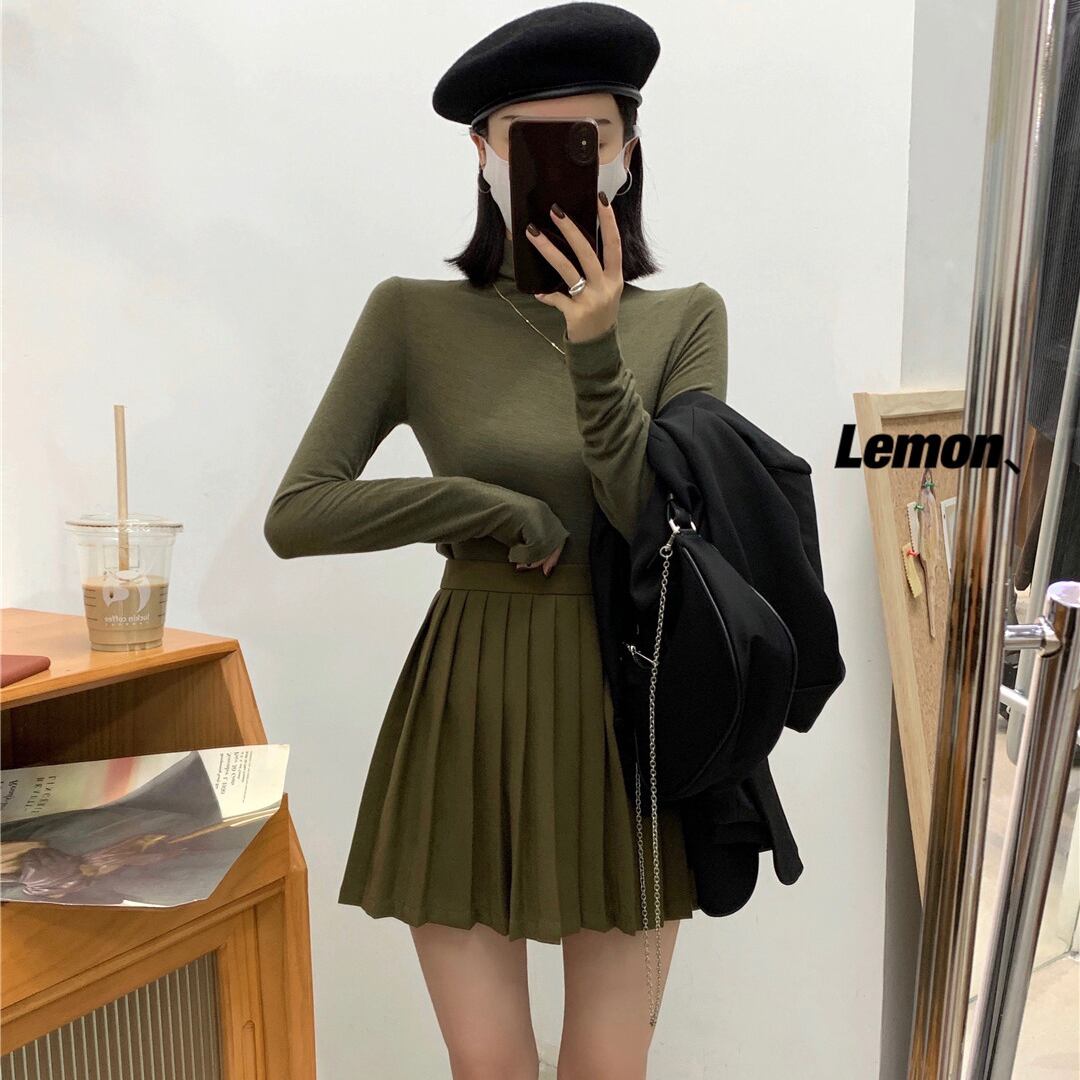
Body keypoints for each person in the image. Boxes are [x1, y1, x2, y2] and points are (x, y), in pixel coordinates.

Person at [263, 3, 728, 1076]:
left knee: (607, 1070)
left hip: (630, 705)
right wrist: (478, 505)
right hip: (467, 703)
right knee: (490, 1071)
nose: (568, 159)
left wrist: (596, 347)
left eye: (590, 137)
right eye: (530, 138)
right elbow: (300, 512)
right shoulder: (410, 315)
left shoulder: (685, 319)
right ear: (481, 150)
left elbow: (655, 523)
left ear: (627, 148)